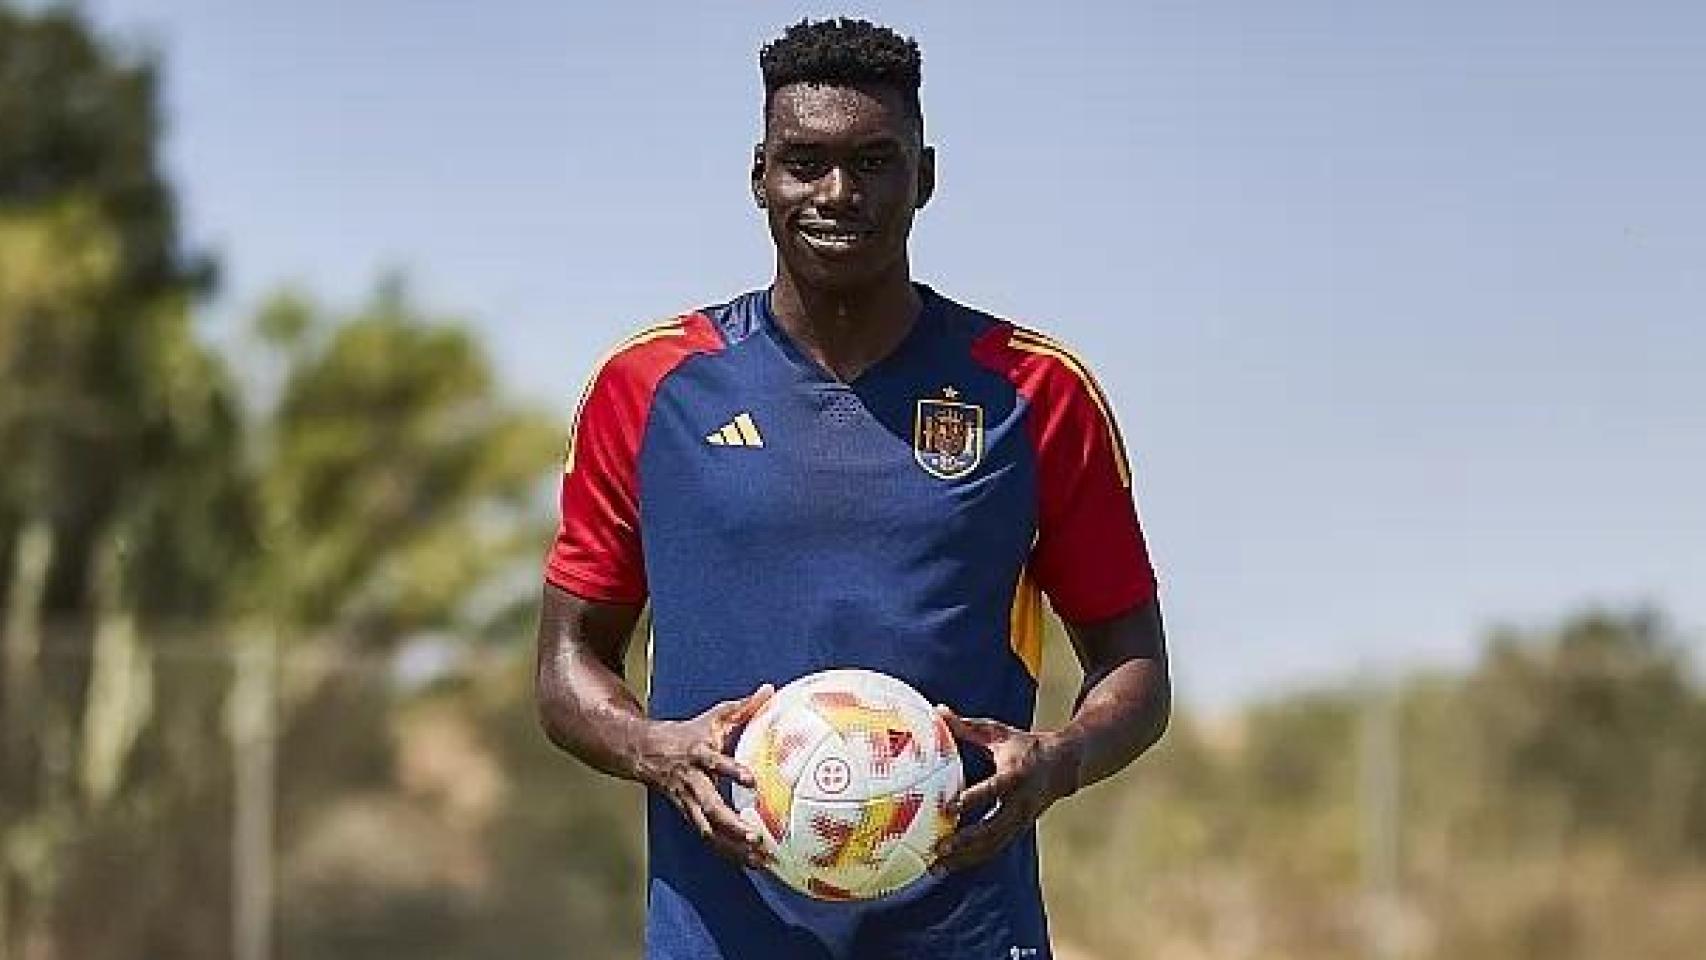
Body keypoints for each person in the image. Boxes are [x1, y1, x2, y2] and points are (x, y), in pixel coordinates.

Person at [536, 17, 1169, 960]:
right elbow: (567, 662)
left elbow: (1136, 667)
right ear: (760, 176)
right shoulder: (653, 386)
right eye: (805, 162)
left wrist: (1059, 761)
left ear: (925, 176)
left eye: (875, 161)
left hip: (967, 929)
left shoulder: (1035, 392)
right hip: (718, 935)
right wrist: (655, 750)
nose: (839, 193)